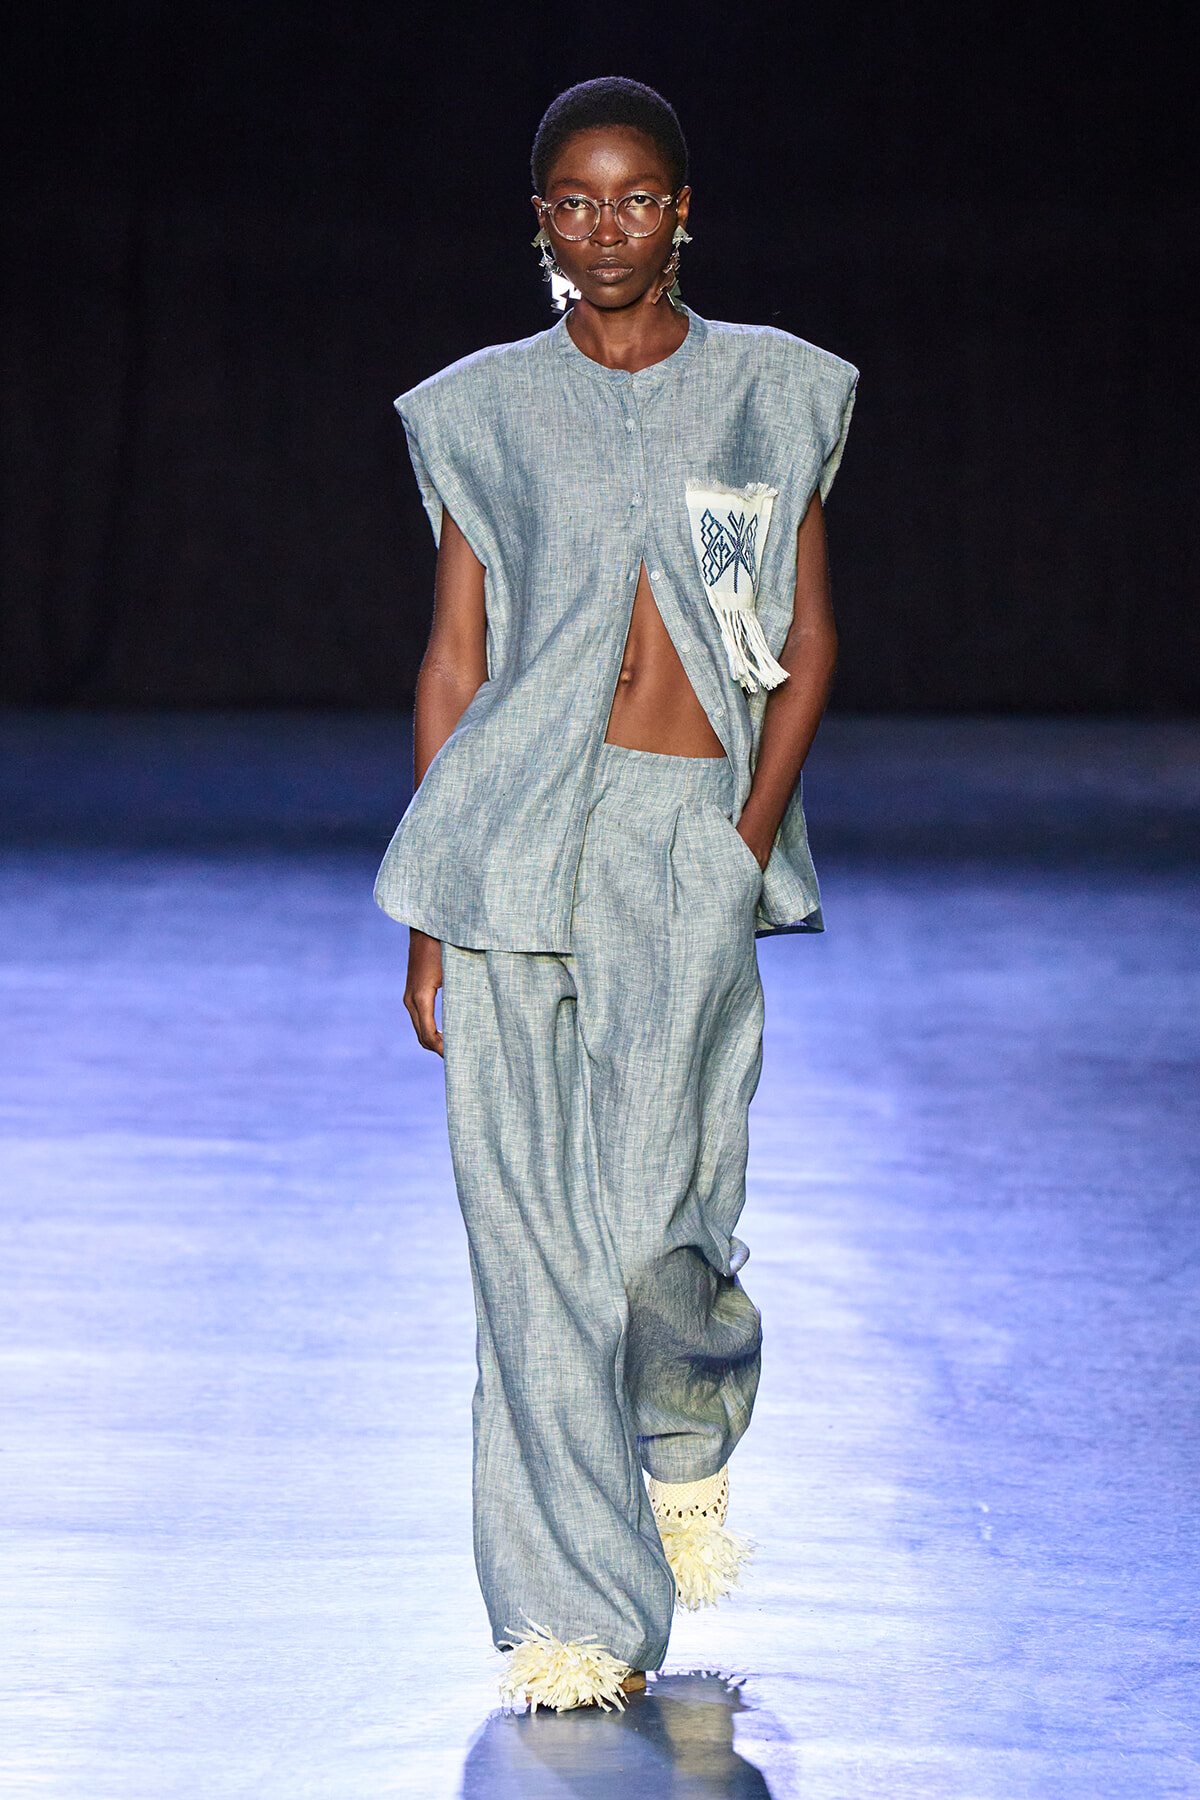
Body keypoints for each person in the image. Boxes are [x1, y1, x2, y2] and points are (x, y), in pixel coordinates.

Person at [375, 76, 857, 1713]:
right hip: (511, 838)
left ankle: (685, 1428)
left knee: (665, 1230)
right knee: (528, 1242)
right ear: (539, 222)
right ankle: (570, 1611)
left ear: (681, 206)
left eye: (633, 197)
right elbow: (455, 660)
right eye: (573, 202)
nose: (605, 228)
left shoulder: (772, 390)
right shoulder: (482, 410)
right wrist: (432, 910)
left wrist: (739, 841)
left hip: (678, 841)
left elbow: (804, 645)